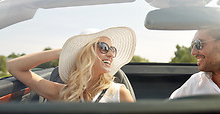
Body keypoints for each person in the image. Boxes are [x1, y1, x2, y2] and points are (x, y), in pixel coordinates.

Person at [7, 26, 136, 102]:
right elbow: (14, 67)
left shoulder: (120, 93)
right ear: (84, 52)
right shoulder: (64, 93)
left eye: (112, 49)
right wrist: (65, 52)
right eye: (103, 47)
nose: (110, 54)